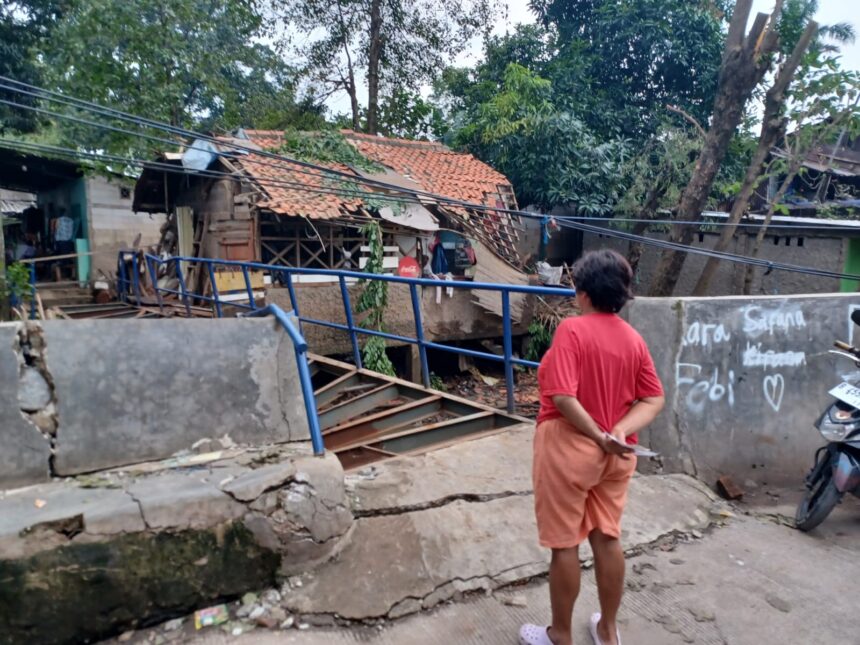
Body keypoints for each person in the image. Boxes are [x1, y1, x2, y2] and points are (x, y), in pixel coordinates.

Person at [519, 249, 665, 645]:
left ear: (581, 293)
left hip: (569, 450)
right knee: (607, 536)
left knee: (564, 543)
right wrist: (618, 430)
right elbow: (653, 399)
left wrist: (598, 434)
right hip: (617, 458)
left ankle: (560, 635)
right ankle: (607, 630)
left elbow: (563, 397)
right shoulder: (633, 339)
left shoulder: (572, 329)